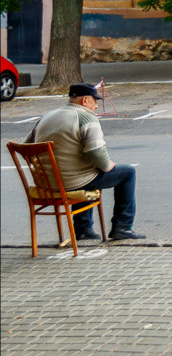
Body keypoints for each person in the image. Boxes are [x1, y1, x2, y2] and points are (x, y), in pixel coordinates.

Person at [23, 83, 145, 241]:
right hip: (74, 182)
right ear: (85, 100)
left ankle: (83, 229)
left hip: (45, 184)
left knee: (84, 171)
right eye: (95, 101)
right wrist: (108, 166)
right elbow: (96, 153)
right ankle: (122, 226)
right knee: (127, 172)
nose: (96, 107)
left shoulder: (47, 116)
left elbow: (26, 146)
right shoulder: (86, 117)